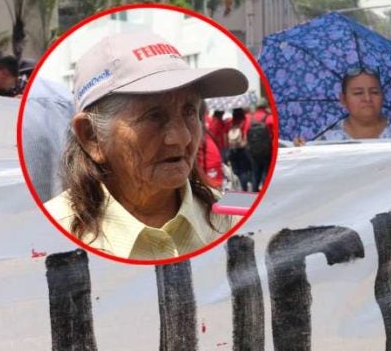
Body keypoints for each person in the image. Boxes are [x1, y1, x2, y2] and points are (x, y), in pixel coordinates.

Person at [43, 31, 248, 260]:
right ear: (92, 136)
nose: (181, 138)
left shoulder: (240, 212)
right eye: (153, 116)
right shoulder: (48, 234)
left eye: (190, 111)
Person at [318, 68, 391, 140]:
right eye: (358, 93)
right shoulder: (327, 136)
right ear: (343, 99)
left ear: (382, 95)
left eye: (374, 92)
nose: (367, 99)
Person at [248, 97, 274, 192]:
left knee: (255, 172)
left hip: (254, 151)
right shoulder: (269, 118)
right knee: (266, 172)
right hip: (267, 150)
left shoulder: (251, 118)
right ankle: (265, 192)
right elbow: (274, 135)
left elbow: (246, 135)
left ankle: (254, 192)